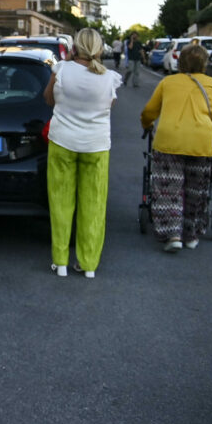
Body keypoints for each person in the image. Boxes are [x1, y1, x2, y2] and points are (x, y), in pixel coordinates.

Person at [41, 28, 123, 278]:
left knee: (61, 203)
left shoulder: (62, 71)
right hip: (96, 146)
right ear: (99, 50)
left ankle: (61, 262)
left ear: (75, 47)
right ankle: (88, 264)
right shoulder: (110, 77)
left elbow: (48, 100)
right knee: (93, 205)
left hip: (62, 141)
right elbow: (109, 106)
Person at [139, 44, 212, 252]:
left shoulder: (168, 82)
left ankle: (172, 235)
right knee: (196, 190)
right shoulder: (211, 84)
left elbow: (149, 111)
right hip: (201, 143)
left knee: (169, 189)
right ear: (204, 63)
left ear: (180, 62)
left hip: (169, 141)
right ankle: (191, 235)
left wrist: (147, 125)